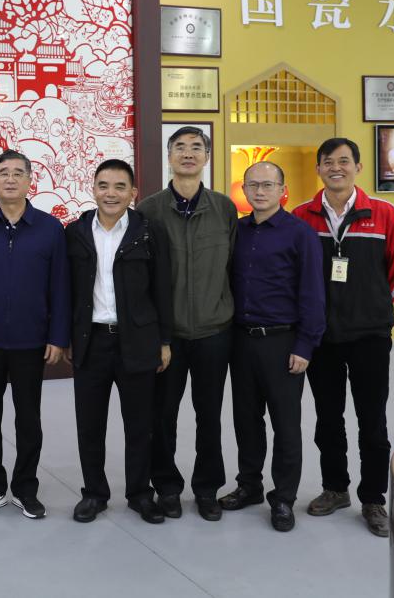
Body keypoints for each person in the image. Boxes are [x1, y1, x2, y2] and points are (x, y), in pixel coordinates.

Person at [293, 138, 394, 537]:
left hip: (369, 337)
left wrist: (372, 307)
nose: (336, 168)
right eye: (328, 162)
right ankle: (335, 488)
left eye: (344, 161)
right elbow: (293, 275)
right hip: (322, 338)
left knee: (372, 420)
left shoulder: (385, 213)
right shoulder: (302, 217)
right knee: (328, 418)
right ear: (318, 169)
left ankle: (373, 498)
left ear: (358, 167)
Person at [136, 126, 237, 521]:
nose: (188, 153)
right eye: (180, 147)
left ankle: (207, 489)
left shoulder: (224, 208)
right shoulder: (149, 210)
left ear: (207, 157)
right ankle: (167, 487)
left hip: (214, 331)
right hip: (169, 336)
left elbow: (233, 267)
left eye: (197, 147)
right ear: (169, 156)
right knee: (162, 417)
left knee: (209, 416)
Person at [65, 159, 172, 525]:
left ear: (133, 193)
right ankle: (94, 494)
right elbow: (66, 290)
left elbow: (162, 289)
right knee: (89, 425)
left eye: (119, 186)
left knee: (140, 424)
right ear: (93, 189)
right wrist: (67, 338)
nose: (111, 193)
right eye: (104, 186)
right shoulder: (76, 232)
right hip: (91, 341)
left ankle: (140, 494)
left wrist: (164, 340)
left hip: (138, 341)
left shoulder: (149, 232)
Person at [219, 161, 325, 532]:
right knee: (246, 421)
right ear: (244, 190)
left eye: (268, 185)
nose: (260, 191)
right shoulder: (237, 230)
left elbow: (313, 292)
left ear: (282, 189)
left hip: (283, 342)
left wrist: (305, 345)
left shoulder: (300, 234)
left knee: (285, 424)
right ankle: (249, 485)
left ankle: (283, 498)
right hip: (241, 341)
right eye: (253, 185)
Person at [0, 149, 69, 519]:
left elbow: (60, 287)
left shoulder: (50, 229)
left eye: (18, 173)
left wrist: (57, 336)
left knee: (28, 420)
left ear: (29, 181)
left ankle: (26, 489)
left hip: (32, 342)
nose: (10, 179)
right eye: (3, 173)